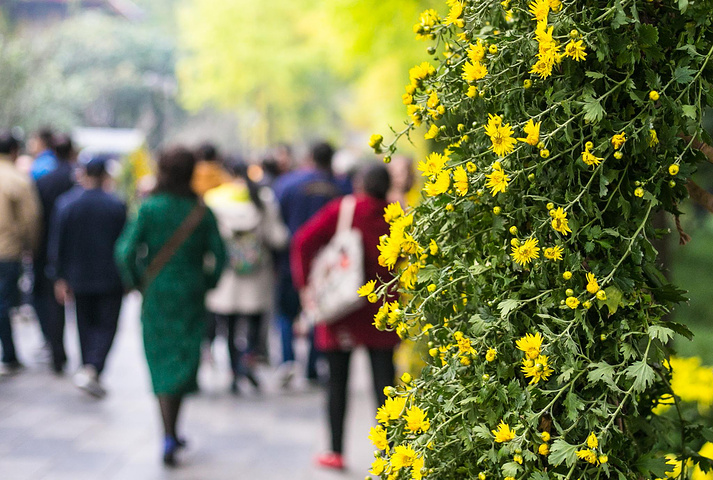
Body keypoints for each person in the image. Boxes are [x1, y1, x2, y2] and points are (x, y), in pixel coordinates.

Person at [114, 146, 226, 467]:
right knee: (183, 356)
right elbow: (220, 256)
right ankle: (171, 432)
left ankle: (168, 432)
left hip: (157, 293)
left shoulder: (150, 209)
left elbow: (124, 251)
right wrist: (207, 283)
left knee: (160, 356)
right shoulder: (201, 212)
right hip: (190, 294)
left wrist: (138, 281)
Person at [291, 164, 399, 470]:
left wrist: (304, 287)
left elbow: (302, 241)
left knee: (336, 382)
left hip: (341, 309)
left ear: (360, 184)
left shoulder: (344, 209)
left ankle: (336, 452)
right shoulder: (397, 215)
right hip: (383, 309)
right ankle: (391, 453)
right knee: (384, 383)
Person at [204, 158, 288, 393]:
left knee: (229, 327)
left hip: (226, 277)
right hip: (256, 276)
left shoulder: (214, 200)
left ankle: (233, 371)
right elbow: (278, 237)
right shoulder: (263, 199)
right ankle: (248, 365)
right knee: (253, 326)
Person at [48, 155, 127, 397]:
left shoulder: (66, 204)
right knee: (107, 326)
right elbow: (126, 245)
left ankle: (88, 369)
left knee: (84, 324)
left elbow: (57, 242)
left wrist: (58, 276)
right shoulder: (116, 205)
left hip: (77, 276)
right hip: (110, 277)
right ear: (105, 176)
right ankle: (93, 368)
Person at [273, 141, 346, 386]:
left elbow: (276, 221)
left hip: (289, 259)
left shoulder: (287, 184)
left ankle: (288, 360)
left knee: (286, 312)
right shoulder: (338, 186)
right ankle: (314, 365)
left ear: (310, 156)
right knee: (320, 309)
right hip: (327, 262)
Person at [33, 134, 77, 373]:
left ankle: (57, 352)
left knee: (53, 301)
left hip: (48, 247)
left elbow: (34, 216)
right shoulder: (80, 179)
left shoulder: (44, 180)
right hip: (78, 250)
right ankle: (90, 359)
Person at [0, 130, 41, 375]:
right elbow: (32, 219)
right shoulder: (19, 179)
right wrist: (32, 248)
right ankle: (9, 355)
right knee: (4, 303)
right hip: (8, 252)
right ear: (15, 151)